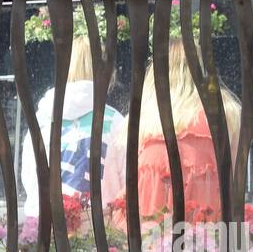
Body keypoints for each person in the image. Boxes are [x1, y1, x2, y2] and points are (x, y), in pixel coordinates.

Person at [102, 37, 241, 241]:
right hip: (207, 236)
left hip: (148, 235)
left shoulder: (140, 119)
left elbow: (119, 183)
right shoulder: (226, 114)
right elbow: (233, 180)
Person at [19, 35, 124, 219]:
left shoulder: (43, 117)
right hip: (101, 233)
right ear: (105, 70)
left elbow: (30, 179)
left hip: (49, 231)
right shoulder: (115, 121)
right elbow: (127, 182)